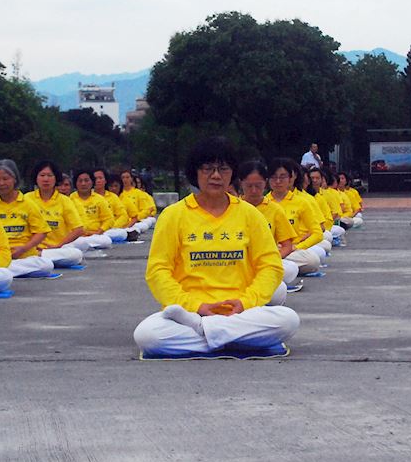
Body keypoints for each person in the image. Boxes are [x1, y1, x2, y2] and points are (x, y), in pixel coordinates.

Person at [134, 137, 298, 357]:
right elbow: (157, 272)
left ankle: (206, 333)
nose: (216, 175)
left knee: (288, 321)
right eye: (208, 168)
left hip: (240, 312)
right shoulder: (173, 215)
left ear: (232, 174)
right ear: (195, 172)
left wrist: (245, 302)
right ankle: (232, 338)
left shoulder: (250, 214)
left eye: (223, 168)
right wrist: (196, 307)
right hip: (190, 313)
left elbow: (271, 267)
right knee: (147, 336)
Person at [236, 159, 300, 295]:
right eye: (249, 186)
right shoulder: (233, 208)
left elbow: (287, 245)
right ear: (241, 183)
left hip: (265, 262)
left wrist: (273, 259)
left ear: (265, 183)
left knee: (289, 272)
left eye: (258, 186)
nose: (254, 191)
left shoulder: (274, 209)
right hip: (237, 264)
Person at [0, 160, 55, 277]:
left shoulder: (28, 203)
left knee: (46, 265)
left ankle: (0, 273)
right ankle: (1, 271)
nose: (1, 183)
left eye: (5, 179)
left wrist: (23, 249)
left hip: (25, 256)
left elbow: (41, 232)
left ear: (15, 179)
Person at [265, 158, 326, 275]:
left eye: (282, 177)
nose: (278, 181)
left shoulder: (301, 202)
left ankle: (274, 268)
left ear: (290, 179)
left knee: (312, 261)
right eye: (273, 177)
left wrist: (297, 247)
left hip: (292, 250)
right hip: (267, 250)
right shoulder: (263, 202)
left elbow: (317, 233)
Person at [28, 160, 87, 268]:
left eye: (50, 175)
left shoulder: (64, 200)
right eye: (42, 175)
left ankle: (41, 258)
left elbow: (78, 229)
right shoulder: (27, 199)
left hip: (57, 248)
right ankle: (41, 259)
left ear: (56, 179)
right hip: (31, 248)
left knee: (75, 255)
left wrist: (58, 245)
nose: (46, 179)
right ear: (36, 178)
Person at [69, 168, 115, 253]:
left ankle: (83, 246)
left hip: (95, 235)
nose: (83, 184)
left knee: (106, 240)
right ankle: (85, 246)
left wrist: (98, 232)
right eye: (80, 181)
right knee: (74, 242)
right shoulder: (70, 199)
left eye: (86, 180)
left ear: (92, 182)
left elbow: (109, 219)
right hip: (77, 236)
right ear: (75, 183)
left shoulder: (100, 199)